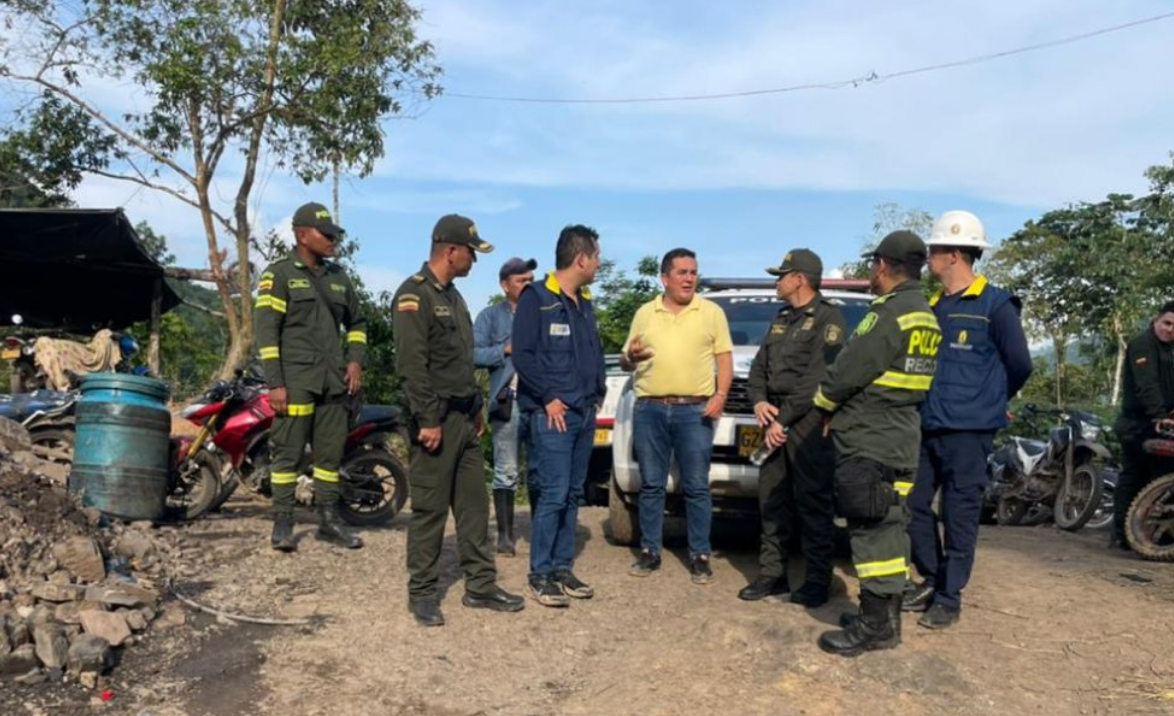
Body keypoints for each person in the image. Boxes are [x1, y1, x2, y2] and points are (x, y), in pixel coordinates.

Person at [392, 214, 524, 627]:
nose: (474, 261)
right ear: (451, 251)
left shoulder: (454, 297)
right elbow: (413, 366)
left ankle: (481, 586)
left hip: (465, 420)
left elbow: (461, 362)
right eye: (471, 252)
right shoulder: (414, 296)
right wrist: (428, 420)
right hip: (436, 421)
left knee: (473, 506)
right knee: (430, 510)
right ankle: (423, 594)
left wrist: (477, 408)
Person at [813, 231, 940, 656]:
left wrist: (823, 405)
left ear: (882, 265)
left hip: (871, 436)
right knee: (890, 525)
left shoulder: (888, 313)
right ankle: (885, 621)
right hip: (901, 433)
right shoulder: (925, 314)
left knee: (871, 531)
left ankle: (875, 628)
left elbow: (848, 369)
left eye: (873, 266)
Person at [904, 210, 1032, 629]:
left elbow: (1020, 365)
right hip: (927, 424)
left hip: (969, 431)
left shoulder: (996, 305)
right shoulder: (934, 304)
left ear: (954, 254)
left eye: (934, 250)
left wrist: (990, 401)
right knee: (914, 505)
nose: (929, 257)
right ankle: (931, 575)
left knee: (958, 513)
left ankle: (949, 595)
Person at [254, 202, 367, 553]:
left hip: (334, 382)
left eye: (335, 234)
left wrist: (355, 361)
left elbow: (359, 323)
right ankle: (283, 522)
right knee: (287, 456)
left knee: (330, 459)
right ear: (302, 235)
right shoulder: (279, 275)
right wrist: (275, 383)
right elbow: (266, 333)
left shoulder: (339, 278)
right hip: (296, 381)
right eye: (326, 234)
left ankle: (329, 522)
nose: (334, 239)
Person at [621, 248, 733, 585]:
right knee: (652, 485)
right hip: (650, 408)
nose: (689, 278)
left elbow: (724, 360)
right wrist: (631, 356)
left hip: (694, 410)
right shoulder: (645, 313)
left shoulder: (711, 312)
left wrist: (720, 396)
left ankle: (700, 555)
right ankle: (649, 552)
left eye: (693, 272)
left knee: (697, 486)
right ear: (665, 278)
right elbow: (628, 360)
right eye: (682, 272)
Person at [740, 249, 846, 607]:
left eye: (782, 275)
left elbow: (817, 380)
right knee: (772, 499)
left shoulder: (829, 321)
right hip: (774, 420)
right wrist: (758, 401)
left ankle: (818, 579)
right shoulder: (781, 318)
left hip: (809, 423)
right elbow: (759, 367)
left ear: (799, 279)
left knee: (813, 503)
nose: (777, 281)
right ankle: (773, 574)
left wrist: (782, 420)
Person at [512, 226, 606, 608]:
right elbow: (524, 354)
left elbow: (591, 352)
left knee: (571, 493)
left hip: (584, 413)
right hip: (553, 416)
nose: (599, 263)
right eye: (597, 256)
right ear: (581, 258)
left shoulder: (584, 302)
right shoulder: (537, 297)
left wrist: (597, 394)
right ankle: (540, 573)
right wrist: (548, 397)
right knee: (552, 493)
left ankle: (562, 568)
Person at [474, 257, 538, 557]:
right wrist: (505, 350)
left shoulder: (544, 314)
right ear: (504, 285)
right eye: (520, 281)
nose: (527, 285)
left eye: (530, 280)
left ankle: (542, 532)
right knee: (506, 470)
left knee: (540, 471)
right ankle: (505, 536)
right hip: (508, 402)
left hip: (540, 403)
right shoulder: (490, 317)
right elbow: (472, 354)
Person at [1111, 302, 1174, 549]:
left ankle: (1155, 536)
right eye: (1167, 323)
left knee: (1160, 475)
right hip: (1137, 423)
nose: (1170, 330)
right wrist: (1160, 416)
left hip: (1162, 422)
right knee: (1134, 475)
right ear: (1156, 320)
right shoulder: (1142, 344)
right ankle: (1121, 534)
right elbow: (1146, 385)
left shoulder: (1170, 350)